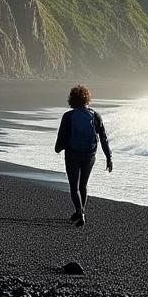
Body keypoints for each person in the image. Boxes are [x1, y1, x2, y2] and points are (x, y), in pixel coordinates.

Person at [54, 84, 112, 226]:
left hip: (72, 154)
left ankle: (80, 213)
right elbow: (103, 138)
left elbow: (62, 136)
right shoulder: (95, 115)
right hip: (89, 155)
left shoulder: (68, 116)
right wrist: (108, 157)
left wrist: (58, 148)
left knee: (74, 187)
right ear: (87, 99)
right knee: (83, 185)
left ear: (72, 100)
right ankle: (80, 211)